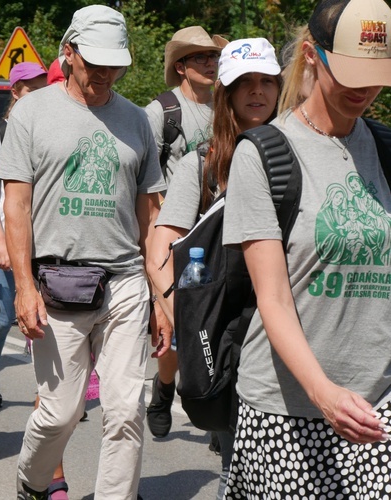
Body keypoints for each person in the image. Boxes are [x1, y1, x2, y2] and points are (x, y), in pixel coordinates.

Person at [0, 5, 167, 499]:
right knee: (60, 412)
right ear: (68, 53)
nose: (106, 74)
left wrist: (160, 296)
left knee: (125, 410)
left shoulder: (136, 120)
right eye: (95, 64)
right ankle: (31, 481)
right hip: (57, 282)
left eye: (116, 64)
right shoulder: (32, 112)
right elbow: (17, 206)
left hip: (126, 282)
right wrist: (24, 288)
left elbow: (150, 216)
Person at [220, 0, 391, 496]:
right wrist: (325, 396)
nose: (365, 88)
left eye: (376, 73)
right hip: (287, 415)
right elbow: (271, 298)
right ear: (313, 55)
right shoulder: (264, 153)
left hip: (377, 408)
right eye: (351, 71)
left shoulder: (383, 148)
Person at [147, 37, 281, 499]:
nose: (257, 92)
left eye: (267, 81)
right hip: (233, 338)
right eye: (244, 83)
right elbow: (161, 241)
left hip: (299, 326)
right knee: (240, 459)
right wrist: (177, 310)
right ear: (224, 93)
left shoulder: (300, 155)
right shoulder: (201, 166)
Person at [143, 25, 227, 440]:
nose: (210, 64)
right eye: (201, 58)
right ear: (181, 66)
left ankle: (217, 404)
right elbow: (143, 180)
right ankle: (162, 390)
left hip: (220, 231)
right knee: (175, 325)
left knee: (219, 320)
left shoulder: (226, 107)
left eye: (213, 57)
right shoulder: (161, 111)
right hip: (174, 232)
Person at [0, 61, 47, 409]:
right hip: (6, 238)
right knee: (4, 316)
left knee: (48, 319)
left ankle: (51, 394)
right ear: (16, 92)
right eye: (32, 88)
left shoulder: (51, 127)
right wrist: (0, 239)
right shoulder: (0, 133)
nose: (39, 94)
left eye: (44, 87)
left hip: (46, 241)